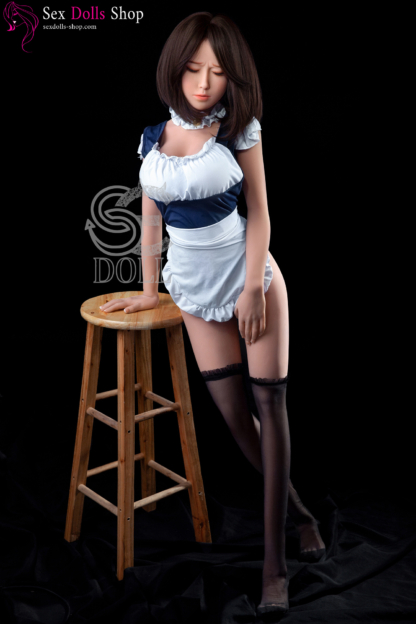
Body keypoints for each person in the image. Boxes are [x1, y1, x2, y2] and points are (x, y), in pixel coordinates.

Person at [100, 12, 325, 616]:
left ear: (233, 77)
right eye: (194, 69)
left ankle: (274, 567)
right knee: (235, 419)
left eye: (218, 71)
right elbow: (150, 218)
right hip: (193, 288)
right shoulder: (151, 139)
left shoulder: (238, 127)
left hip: (251, 279)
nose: (204, 83)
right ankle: (300, 514)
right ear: (174, 70)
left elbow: (261, 211)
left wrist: (252, 288)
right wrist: (149, 290)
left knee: (269, 408)